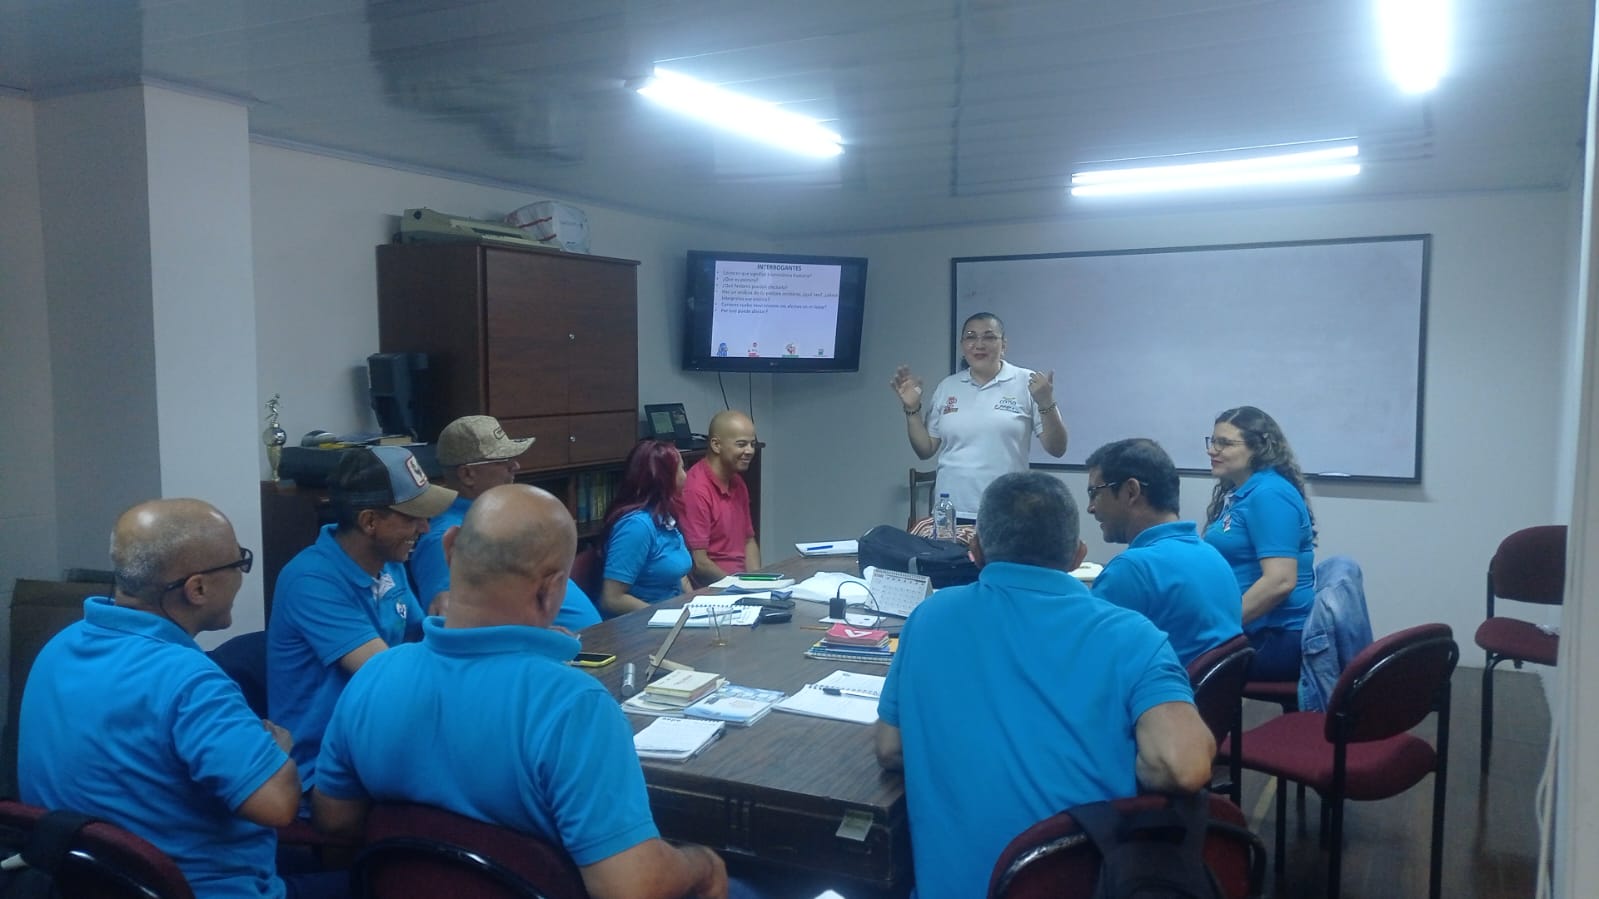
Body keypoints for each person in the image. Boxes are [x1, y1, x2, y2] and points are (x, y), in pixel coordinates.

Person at [312, 484, 729, 899]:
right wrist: (702, 864)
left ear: (450, 548)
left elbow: (335, 820)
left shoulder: (375, 676)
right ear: (551, 588)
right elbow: (630, 888)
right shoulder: (575, 707)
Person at [875, 472, 1214, 899]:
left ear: (975, 551)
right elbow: (1183, 767)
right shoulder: (1135, 637)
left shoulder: (929, 618)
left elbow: (890, 747)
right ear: (1078, 556)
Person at [18, 499, 337, 899]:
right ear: (197, 588)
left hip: (86, 882)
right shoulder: (190, 681)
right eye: (239, 563)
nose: (242, 576)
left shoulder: (59, 647)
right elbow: (277, 806)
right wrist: (278, 748)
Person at [268, 445, 455, 795]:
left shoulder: (389, 564)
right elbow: (386, 676)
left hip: (383, 739)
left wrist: (504, 640)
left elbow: (427, 637)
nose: (426, 527)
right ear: (369, 522)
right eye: (413, 517)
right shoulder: (310, 580)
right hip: (324, 770)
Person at [411, 414, 601, 629]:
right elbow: (454, 626)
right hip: (543, 646)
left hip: (583, 640)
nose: (515, 465)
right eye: (502, 460)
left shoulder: (501, 517)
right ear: (467, 474)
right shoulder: (443, 539)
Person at [891, 312, 1068, 519]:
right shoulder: (948, 386)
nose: (979, 344)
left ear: (1004, 345)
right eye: (971, 337)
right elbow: (925, 449)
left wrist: (1046, 402)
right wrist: (912, 409)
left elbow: (1057, 449)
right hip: (950, 510)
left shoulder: (1028, 382)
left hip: (1008, 511)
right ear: (962, 345)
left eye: (989, 337)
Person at [1084, 438, 1243, 666]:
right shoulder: (1213, 557)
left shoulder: (1131, 570)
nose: (1090, 507)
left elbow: (1087, 661)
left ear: (1131, 491)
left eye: (1094, 492)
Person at [1202, 406, 1317, 681]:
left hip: (1275, 637)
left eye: (1225, 443)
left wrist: (1219, 627)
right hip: (1253, 630)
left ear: (1258, 448)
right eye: (1213, 441)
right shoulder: (1241, 492)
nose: (1212, 450)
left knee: (1167, 662)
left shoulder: (1270, 494)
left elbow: (1280, 582)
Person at [598, 439, 693, 615]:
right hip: (644, 623)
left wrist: (696, 608)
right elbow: (612, 599)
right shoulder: (636, 526)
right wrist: (666, 616)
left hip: (676, 614)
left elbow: (680, 576)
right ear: (664, 478)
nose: (686, 475)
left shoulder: (665, 516)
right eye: (681, 468)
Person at [680, 410, 760, 583]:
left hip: (741, 583)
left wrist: (757, 581)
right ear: (716, 445)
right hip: (714, 588)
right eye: (741, 444)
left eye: (752, 444)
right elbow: (700, 563)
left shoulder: (737, 482)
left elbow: (748, 541)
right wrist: (739, 585)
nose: (750, 451)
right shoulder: (696, 489)